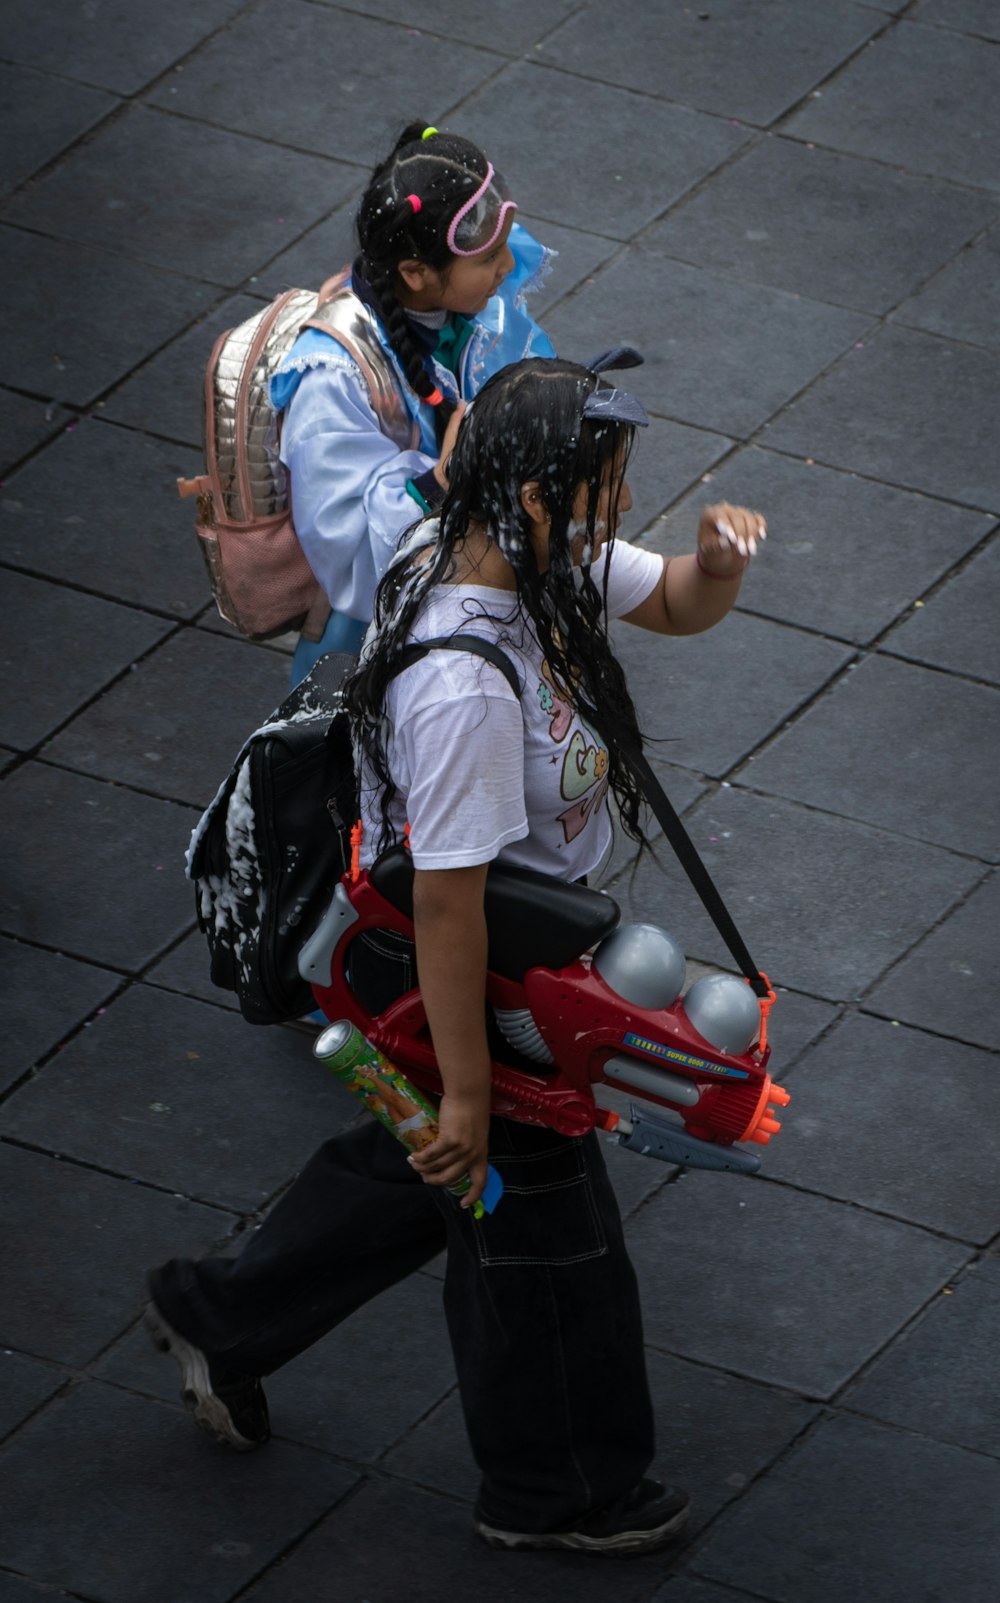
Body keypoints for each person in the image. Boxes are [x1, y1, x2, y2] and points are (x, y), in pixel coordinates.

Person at [147, 356, 766, 1557]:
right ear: (532, 498)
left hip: (491, 952)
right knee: (542, 1231)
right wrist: (478, 1083)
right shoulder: (462, 691)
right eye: (604, 491)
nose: (619, 514)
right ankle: (557, 1486)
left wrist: (720, 568)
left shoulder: (524, 545)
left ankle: (219, 1314)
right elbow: (450, 905)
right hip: (470, 975)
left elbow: (677, 600)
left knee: (429, 1165)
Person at [269, 120, 555, 686]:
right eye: (490, 258)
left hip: (488, 594)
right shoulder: (332, 378)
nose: (507, 267)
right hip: (380, 644)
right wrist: (440, 480)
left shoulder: (473, 300)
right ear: (416, 273)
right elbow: (347, 555)